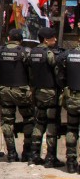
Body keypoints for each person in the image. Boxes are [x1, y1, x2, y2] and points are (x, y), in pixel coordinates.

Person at [0, 28, 33, 163]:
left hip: (4, 91)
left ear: (8, 38)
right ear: (20, 40)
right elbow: (31, 72)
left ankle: (11, 153)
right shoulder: (25, 52)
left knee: (7, 122)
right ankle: (27, 152)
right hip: (22, 91)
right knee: (28, 119)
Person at [29, 26, 62, 167]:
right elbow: (57, 72)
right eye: (52, 38)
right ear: (45, 40)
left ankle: (34, 155)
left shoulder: (32, 52)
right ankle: (50, 158)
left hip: (37, 92)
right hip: (50, 92)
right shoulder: (48, 54)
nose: (55, 39)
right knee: (51, 124)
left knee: (39, 122)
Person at [61, 43, 80, 173]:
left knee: (72, 129)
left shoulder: (68, 54)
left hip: (73, 97)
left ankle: (71, 162)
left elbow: (60, 76)